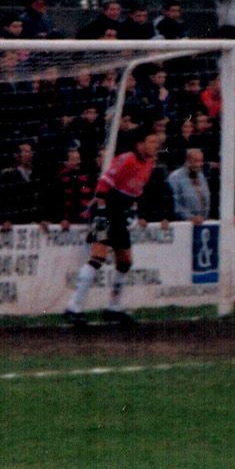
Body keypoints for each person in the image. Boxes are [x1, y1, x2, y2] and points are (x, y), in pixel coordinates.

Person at [63, 128, 164, 328]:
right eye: (151, 141)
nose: (155, 145)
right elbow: (104, 183)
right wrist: (100, 212)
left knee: (125, 262)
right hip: (104, 212)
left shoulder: (149, 165)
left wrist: (132, 212)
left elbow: (135, 193)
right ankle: (73, 307)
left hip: (120, 215)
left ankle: (113, 307)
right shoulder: (126, 159)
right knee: (98, 257)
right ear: (140, 144)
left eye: (156, 142)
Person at [166, 147, 212, 223]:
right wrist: (190, 217)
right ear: (188, 161)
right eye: (196, 161)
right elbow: (175, 204)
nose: (199, 164)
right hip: (183, 225)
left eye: (201, 161)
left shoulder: (201, 175)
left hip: (203, 223)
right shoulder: (175, 177)